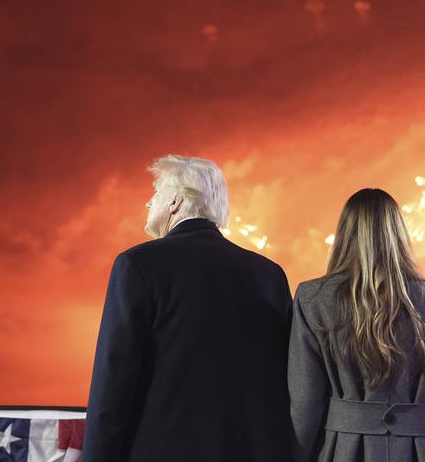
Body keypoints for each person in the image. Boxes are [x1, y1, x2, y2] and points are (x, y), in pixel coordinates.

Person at [82, 154, 294, 462]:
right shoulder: (270, 275)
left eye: (154, 194)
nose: (148, 203)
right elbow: (287, 380)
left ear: (175, 202)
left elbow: (113, 383)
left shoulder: (138, 265)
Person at [288, 188, 425, 462]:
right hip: (421, 452)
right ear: (399, 233)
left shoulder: (313, 298)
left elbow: (305, 403)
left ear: (344, 234)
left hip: (342, 452)